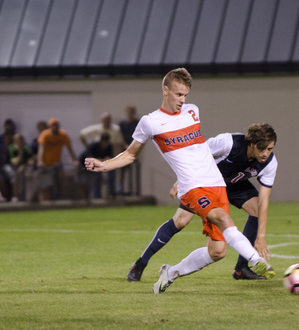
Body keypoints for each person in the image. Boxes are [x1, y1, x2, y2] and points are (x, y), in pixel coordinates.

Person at [85, 68, 274, 294]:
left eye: (185, 95)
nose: (182, 101)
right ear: (166, 90)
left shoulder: (193, 111)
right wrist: (104, 164)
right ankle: (254, 260)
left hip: (217, 185)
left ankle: (171, 272)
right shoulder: (150, 122)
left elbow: (199, 150)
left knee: (218, 252)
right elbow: (131, 154)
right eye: (178, 95)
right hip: (193, 187)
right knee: (221, 219)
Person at [127, 123, 278, 282]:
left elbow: (264, 201)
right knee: (181, 221)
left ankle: (241, 268)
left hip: (234, 185)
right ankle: (140, 263)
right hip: (208, 183)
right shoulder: (228, 143)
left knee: (256, 209)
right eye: (262, 149)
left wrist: (261, 237)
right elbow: (196, 155)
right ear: (252, 144)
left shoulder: (269, 163)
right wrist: (183, 180)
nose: (265, 154)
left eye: (270, 149)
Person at [80, 112, 125, 197]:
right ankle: (97, 196)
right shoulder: (94, 145)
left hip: (106, 161)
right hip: (94, 162)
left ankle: (112, 194)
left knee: (112, 174)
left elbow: (117, 146)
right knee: (97, 176)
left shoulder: (110, 143)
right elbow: (82, 135)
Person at [37, 118, 78, 201]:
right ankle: (46, 202)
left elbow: (70, 148)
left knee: (61, 176)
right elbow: (41, 149)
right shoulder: (45, 135)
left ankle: (59, 193)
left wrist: (75, 160)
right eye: (53, 125)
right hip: (46, 164)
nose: (55, 127)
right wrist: (40, 161)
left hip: (57, 163)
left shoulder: (62, 135)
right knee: (46, 185)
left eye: (56, 125)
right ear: (50, 126)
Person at [77, 133, 113, 199]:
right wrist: (102, 160)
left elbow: (109, 158)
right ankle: (88, 199)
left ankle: (99, 196)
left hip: (94, 167)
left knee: (96, 179)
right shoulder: (93, 146)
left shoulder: (109, 146)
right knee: (84, 184)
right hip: (83, 165)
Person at [119, 106, 140, 195]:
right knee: (122, 169)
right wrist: (125, 145)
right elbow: (119, 136)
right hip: (124, 149)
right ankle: (120, 189)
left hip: (134, 149)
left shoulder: (136, 123)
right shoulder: (122, 124)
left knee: (134, 169)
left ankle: (135, 190)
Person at [8, 134, 33, 202]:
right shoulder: (11, 148)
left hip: (25, 167)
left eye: (20, 141)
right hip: (12, 167)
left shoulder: (26, 148)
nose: (19, 143)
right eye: (17, 141)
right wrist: (20, 152)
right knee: (15, 175)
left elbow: (31, 161)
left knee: (26, 174)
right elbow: (14, 162)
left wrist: (24, 165)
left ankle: (25, 196)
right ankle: (15, 195)